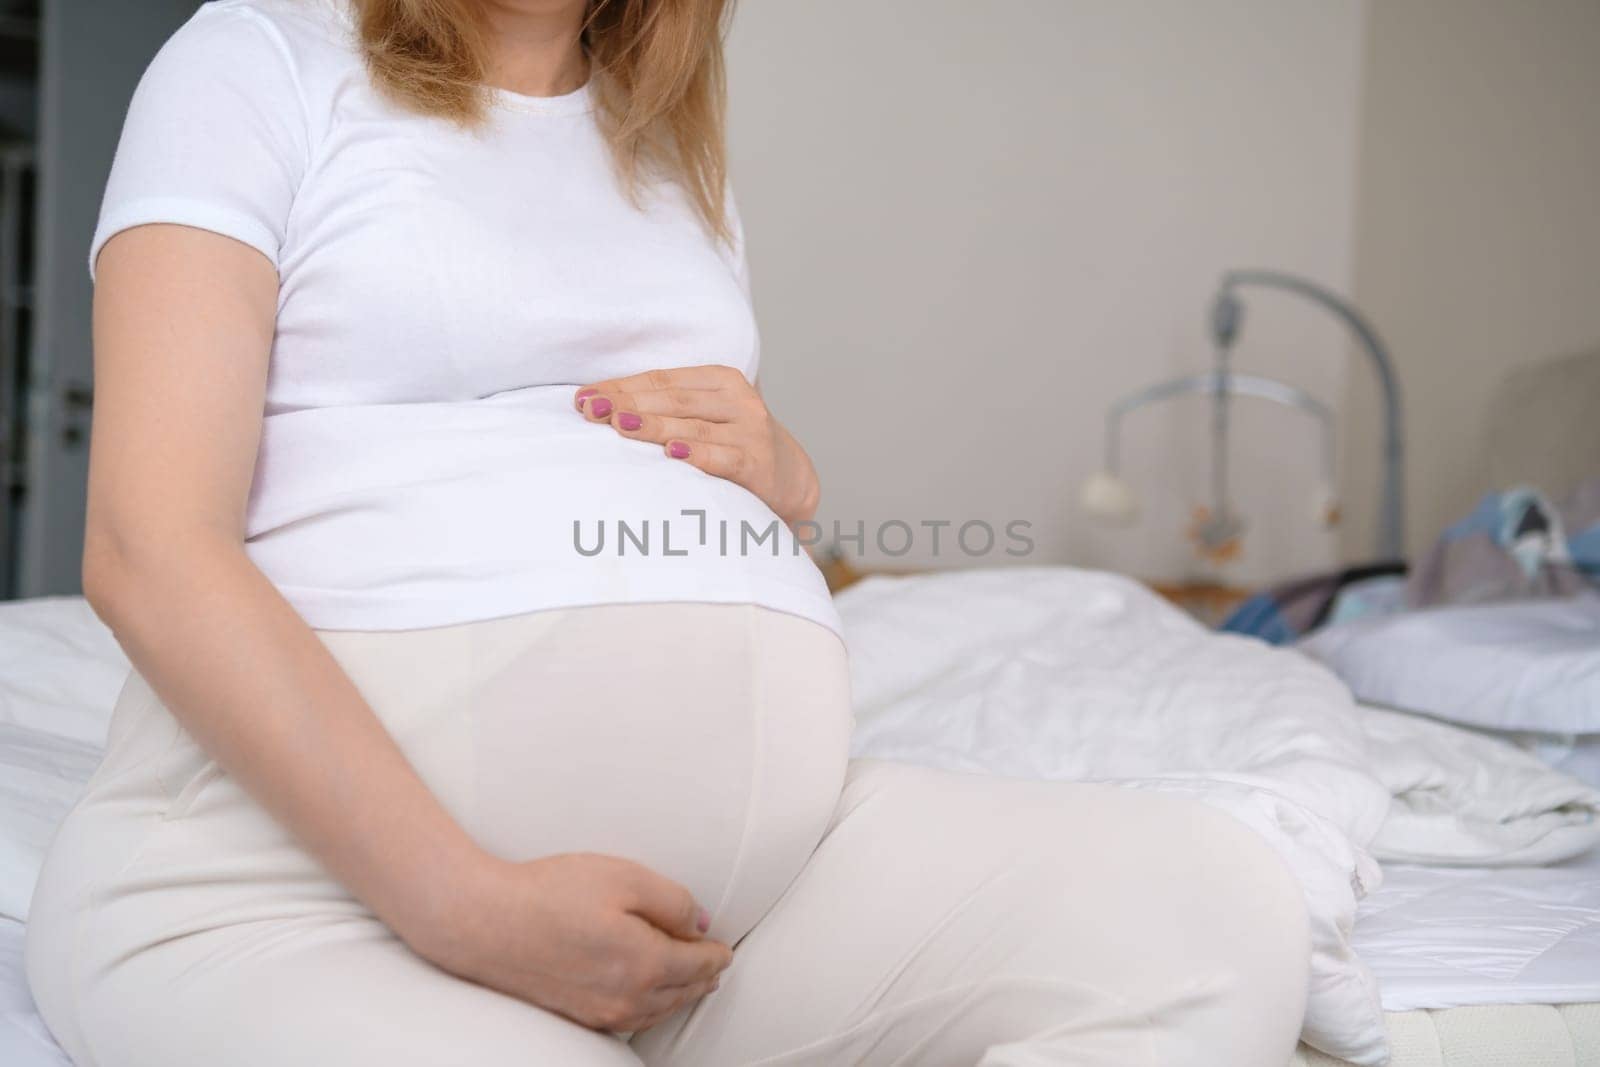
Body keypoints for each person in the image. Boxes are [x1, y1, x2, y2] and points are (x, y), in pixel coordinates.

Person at [24, 1, 1311, 1063]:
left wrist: (790, 482)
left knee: (1212, 907)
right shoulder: (254, 61)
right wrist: (459, 901)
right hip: (288, 902)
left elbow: (654, 498)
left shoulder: (660, 146)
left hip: (715, 936)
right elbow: (148, 546)